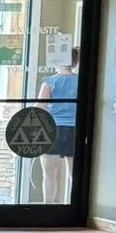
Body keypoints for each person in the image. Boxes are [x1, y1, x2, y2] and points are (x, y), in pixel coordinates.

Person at [36, 45, 80, 204]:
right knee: (75, 174)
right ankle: (73, 206)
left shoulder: (50, 82)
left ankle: (48, 206)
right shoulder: (80, 81)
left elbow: (39, 109)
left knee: (49, 174)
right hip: (76, 130)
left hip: (53, 130)